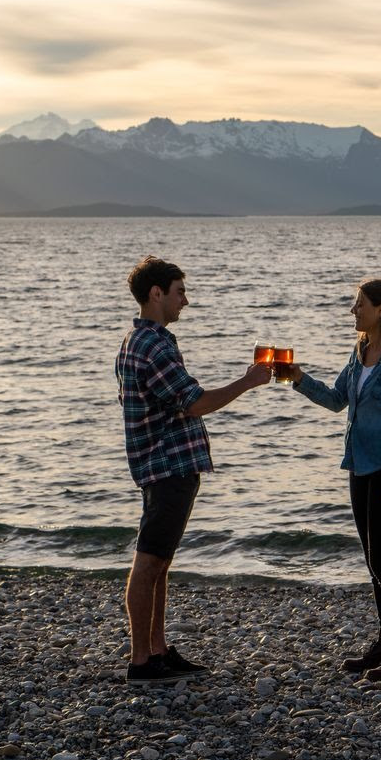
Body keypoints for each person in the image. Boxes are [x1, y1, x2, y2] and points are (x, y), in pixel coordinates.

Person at [115, 255, 272, 685]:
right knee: (149, 562)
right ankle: (141, 661)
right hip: (168, 466)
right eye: (180, 291)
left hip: (158, 464)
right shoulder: (153, 345)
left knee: (160, 561)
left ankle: (157, 650)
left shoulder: (138, 340)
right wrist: (248, 382)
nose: (186, 300)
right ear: (156, 293)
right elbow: (196, 402)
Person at [288, 279, 381, 682]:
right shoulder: (361, 350)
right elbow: (336, 400)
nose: (353, 310)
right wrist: (297, 378)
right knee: (372, 561)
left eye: (359, 303)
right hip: (358, 466)